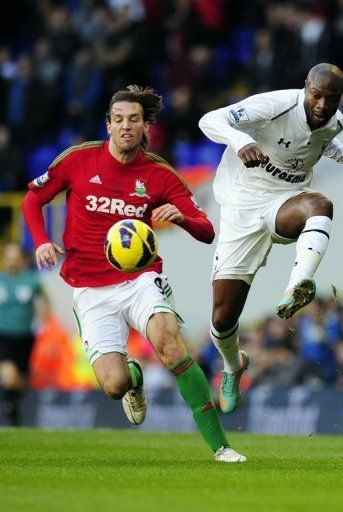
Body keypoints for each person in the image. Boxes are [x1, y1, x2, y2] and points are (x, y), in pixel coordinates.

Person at [22, 84, 245, 463]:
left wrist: (184, 219)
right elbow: (32, 198)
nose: (127, 126)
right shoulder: (77, 160)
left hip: (141, 278)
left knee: (170, 345)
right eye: (119, 119)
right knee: (114, 385)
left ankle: (221, 446)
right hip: (90, 288)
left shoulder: (158, 175)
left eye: (135, 120)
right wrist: (41, 240)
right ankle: (133, 381)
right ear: (108, 125)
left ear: (146, 128)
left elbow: (206, 230)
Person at [198, 62, 343, 414]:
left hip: (285, 202)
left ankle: (298, 285)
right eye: (316, 95)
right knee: (222, 319)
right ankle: (234, 366)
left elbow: (326, 143)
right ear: (305, 87)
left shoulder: (334, 120)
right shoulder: (275, 105)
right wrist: (241, 141)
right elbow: (209, 120)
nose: (322, 105)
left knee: (320, 204)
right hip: (241, 206)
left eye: (331, 98)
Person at [0, 243, 44, 425]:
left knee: (22, 381)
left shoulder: (32, 281)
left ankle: (12, 404)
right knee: (9, 378)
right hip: (4, 335)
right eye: (8, 257)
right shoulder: (1, 280)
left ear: (21, 260)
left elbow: (43, 304)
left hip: (26, 336)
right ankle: (9, 407)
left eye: (15, 258)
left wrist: (43, 324)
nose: (11, 261)